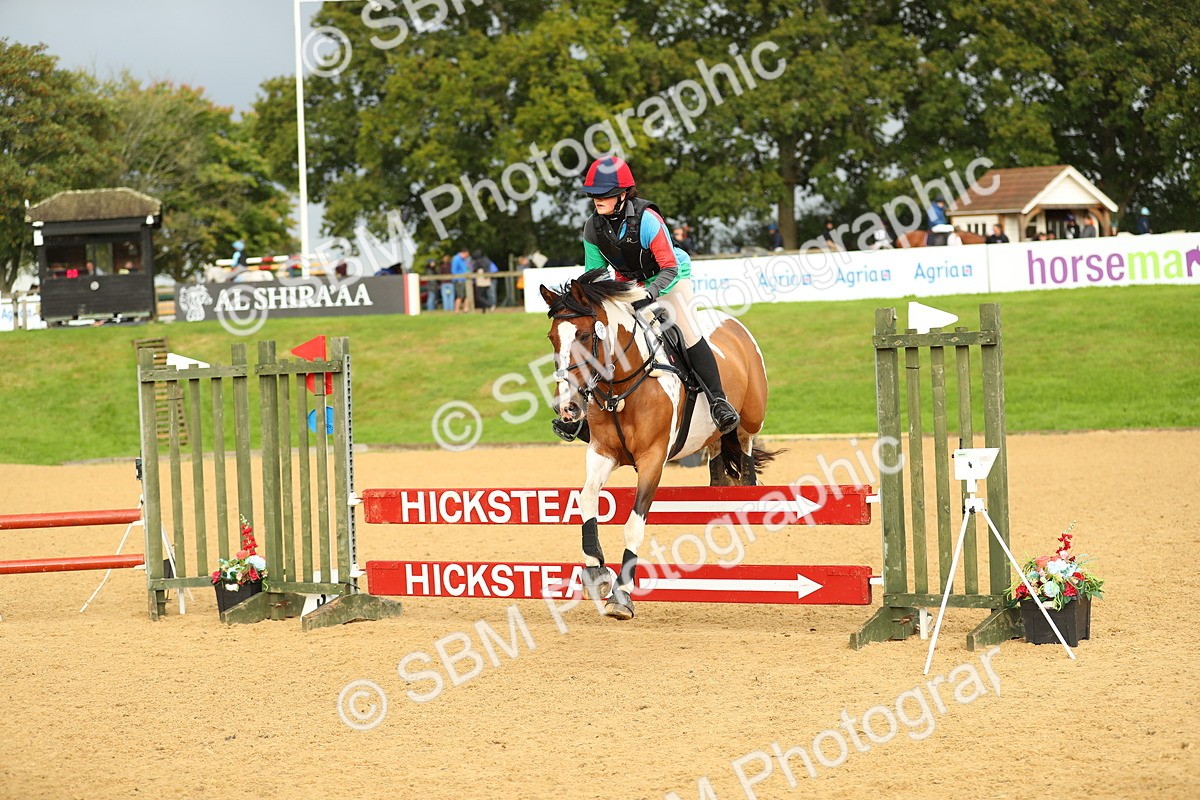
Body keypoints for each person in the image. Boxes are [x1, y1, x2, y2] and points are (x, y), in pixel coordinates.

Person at [562, 155, 740, 440]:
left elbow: (669, 267)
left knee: (686, 331)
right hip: (628, 284)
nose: (597, 199)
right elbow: (595, 275)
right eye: (594, 194)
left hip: (669, 279)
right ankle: (582, 412)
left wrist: (651, 293)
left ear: (622, 195)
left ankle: (719, 402)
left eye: (604, 194)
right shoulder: (592, 228)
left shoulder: (647, 220)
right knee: (602, 338)